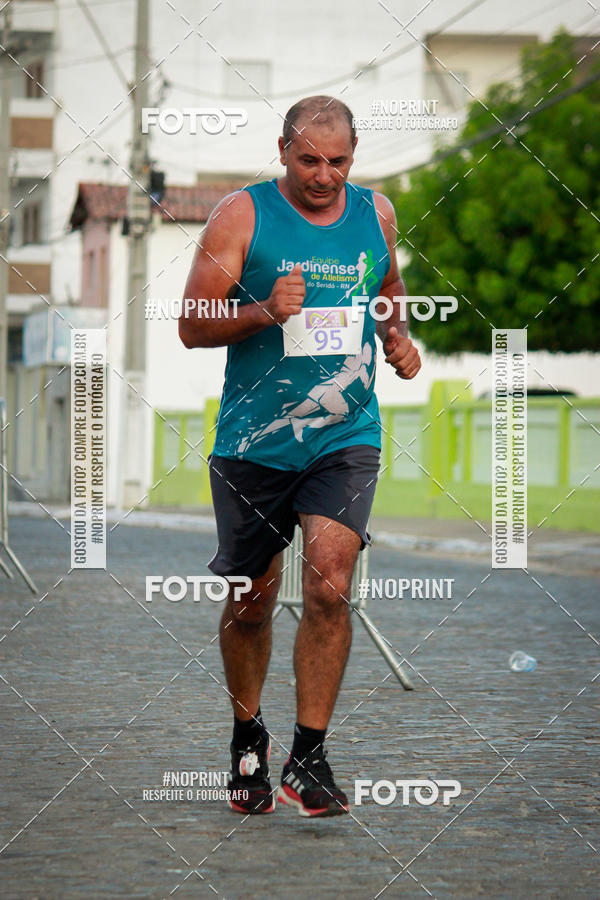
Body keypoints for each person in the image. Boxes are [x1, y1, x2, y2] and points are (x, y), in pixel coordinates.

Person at [179, 95, 421, 818]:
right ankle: (247, 737)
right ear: (282, 149)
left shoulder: (375, 213)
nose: (324, 175)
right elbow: (192, 324)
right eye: (309, 160)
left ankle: (308, 757)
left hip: (345, 435)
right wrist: (262, 311)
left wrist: (399, 336)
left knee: (329, 583)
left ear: (354, 155)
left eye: (339, 161)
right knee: (252, 599)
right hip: (255, 440)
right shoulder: (240, 216)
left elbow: (387, 289)